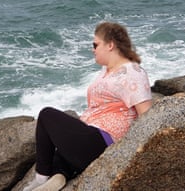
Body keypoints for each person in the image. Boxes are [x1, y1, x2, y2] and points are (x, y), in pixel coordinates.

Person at [23, 21, 153, 191]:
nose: (93, 49)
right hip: (92, 136)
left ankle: (41, 179)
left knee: (47, 115)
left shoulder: (132, 72)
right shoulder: (105, 71)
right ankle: (59, 176)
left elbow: (147, 117)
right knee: (59, 150)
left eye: (95, 44)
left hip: (104, 142)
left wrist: (133, 156)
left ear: (110, 45)